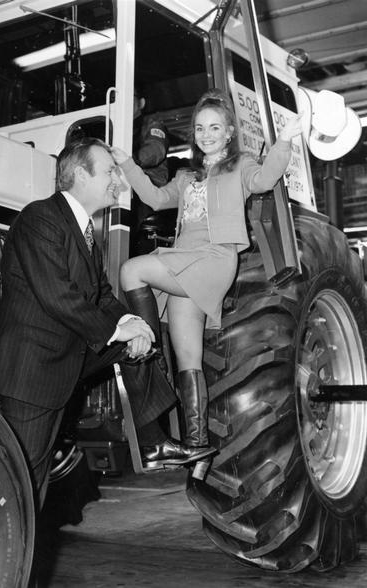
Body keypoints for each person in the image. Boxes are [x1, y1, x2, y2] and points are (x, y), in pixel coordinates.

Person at [0, 137, 179, 508]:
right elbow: (59, 297)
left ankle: (152, 440)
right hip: (31, 373)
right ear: (80, 176)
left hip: (63, 361)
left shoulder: (86, 232)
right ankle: (13, 559)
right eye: (108, 171)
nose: (116, 180)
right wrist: (121, 330)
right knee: (22, 486)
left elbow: (101, 295)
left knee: (141, 343)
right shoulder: (40, 218)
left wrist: (134, 323)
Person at [111, 88, 303, 466]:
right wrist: (127, 163)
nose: (207, 134)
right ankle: (197, 443)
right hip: (184, 259)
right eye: (200, 128)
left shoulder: (241, 165)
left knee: (132, 269)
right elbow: (153, 198)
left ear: (229, 131)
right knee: (189, 359)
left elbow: (264, 180)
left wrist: (284, 141)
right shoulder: (186, 176)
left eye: (215, 127)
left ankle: (147, 352)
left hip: (215, 258)